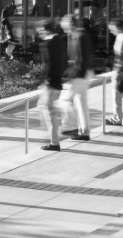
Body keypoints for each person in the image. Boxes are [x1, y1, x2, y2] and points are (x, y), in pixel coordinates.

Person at [60, 14, 94, 141]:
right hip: (82, 72)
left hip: (80, 73)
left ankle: (71, 126)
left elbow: (80, 58)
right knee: (81, 103)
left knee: (65, 100)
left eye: (64, 26)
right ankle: (84, 132)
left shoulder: (78, 36)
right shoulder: (77, 35)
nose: (63, 29)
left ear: (69, 25)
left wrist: (74, 72)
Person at [38, 20, 68, 151]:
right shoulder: (59, 42)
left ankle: (54, 141)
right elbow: (62, 62)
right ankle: (54, 136)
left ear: (45, 30)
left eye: (40, 31)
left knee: (49, 111)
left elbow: (49, 64)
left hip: (52, 82)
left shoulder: (48, 43)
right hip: (58, 81)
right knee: (50, 110)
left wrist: (46, 80)